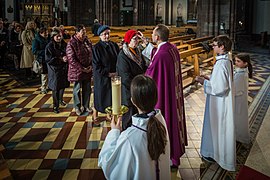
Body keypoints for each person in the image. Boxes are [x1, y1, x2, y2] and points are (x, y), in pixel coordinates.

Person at [99, 75, 170, 180]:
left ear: (133, 101)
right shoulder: (161, 121)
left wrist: (114, 132)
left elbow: (112, 171)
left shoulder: (129, 138)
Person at [143, 24, 187, 167]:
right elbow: (156, 54)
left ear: (157, 37)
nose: (151, 36)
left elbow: (150, 72)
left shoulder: (161, 54)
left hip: (164, 94)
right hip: (173, 92)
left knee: (165, 120)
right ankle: (174, 154)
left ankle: (168, 157)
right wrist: (147, 45)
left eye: (153, 34)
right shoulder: (171, 48)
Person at [195, 35, 235, 171]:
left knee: (216, 128)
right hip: (219, 102)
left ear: (222, 47)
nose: (213, 46)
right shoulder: (226, 60)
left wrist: (203, 82)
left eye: (215, 45)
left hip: (219, 104)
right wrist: (210, 77)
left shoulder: (222, 63)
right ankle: (213, 152)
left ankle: (214, 154)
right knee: (216, 128)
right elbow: (221, 80)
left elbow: (220, 88)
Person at [116, 29, 147, 130]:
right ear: (128, 40)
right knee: (128, 120)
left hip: (137, 90)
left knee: (137, 119)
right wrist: (138, 86)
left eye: (138, 39)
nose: (137, 41)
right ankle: (126, 139)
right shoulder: (123, 56)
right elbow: (125, 78)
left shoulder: (137, 51)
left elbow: (143, 66)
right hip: (129, 92)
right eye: (134, 39)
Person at [92, 25, 120, 121]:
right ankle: (95, 114)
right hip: (101, 77)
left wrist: (116, 72)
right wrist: (108, 73)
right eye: (104, 34)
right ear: (100, 36)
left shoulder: (114, 45)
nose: (107, 36)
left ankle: (108, 114)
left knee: (110, 96)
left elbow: (118, 59)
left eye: (108, 34)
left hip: (113, 76)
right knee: (100, 96)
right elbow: (96, 66)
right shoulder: (96, 48)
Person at [66, 24, 93, 116]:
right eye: (83, 32)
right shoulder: (71, 43)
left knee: (87, 89)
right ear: (77, 33)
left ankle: (86, 106)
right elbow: (71, 59)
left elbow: (91, 54)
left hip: (88, 69)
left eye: (85, 31)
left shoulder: (87, 41)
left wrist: (90, 66)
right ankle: (77, 107)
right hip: (77, 70)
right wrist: (82, 68)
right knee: (77, 90)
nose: (84, 33)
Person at [45, 28, 70, 113]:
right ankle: (55, 106)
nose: (59, 38)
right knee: (55, 88)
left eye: (60, 36)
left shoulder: (64, 44)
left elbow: (68, 52)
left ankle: (60, 99)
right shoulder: (50, 46)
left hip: (63, 68)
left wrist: (67, 57)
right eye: (57, 36)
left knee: (62, 85)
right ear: (53, 37)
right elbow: (49, 59)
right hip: (54, 69)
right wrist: (61, 59)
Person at [234, 53, 252, 144]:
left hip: (238, 100)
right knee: (239, 117)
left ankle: (239, 137)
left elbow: (236, 90)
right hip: (240, 99)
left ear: (245, 63)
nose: (236, 63)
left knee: (238, 118)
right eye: (235, 60)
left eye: (238, 61)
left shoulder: (241, 75)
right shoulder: (242, 71)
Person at [32, 27, 50, 94]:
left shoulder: (48, 39)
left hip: (49, 58)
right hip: (42, 59)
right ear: (40, 33)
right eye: (45, 33)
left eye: (47, 32)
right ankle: (43, 87)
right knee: (44, 74)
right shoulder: (36, 40)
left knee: (49, 73)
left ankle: (48, 86)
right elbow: (34, 51)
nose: (46, 34)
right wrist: (45, 52)